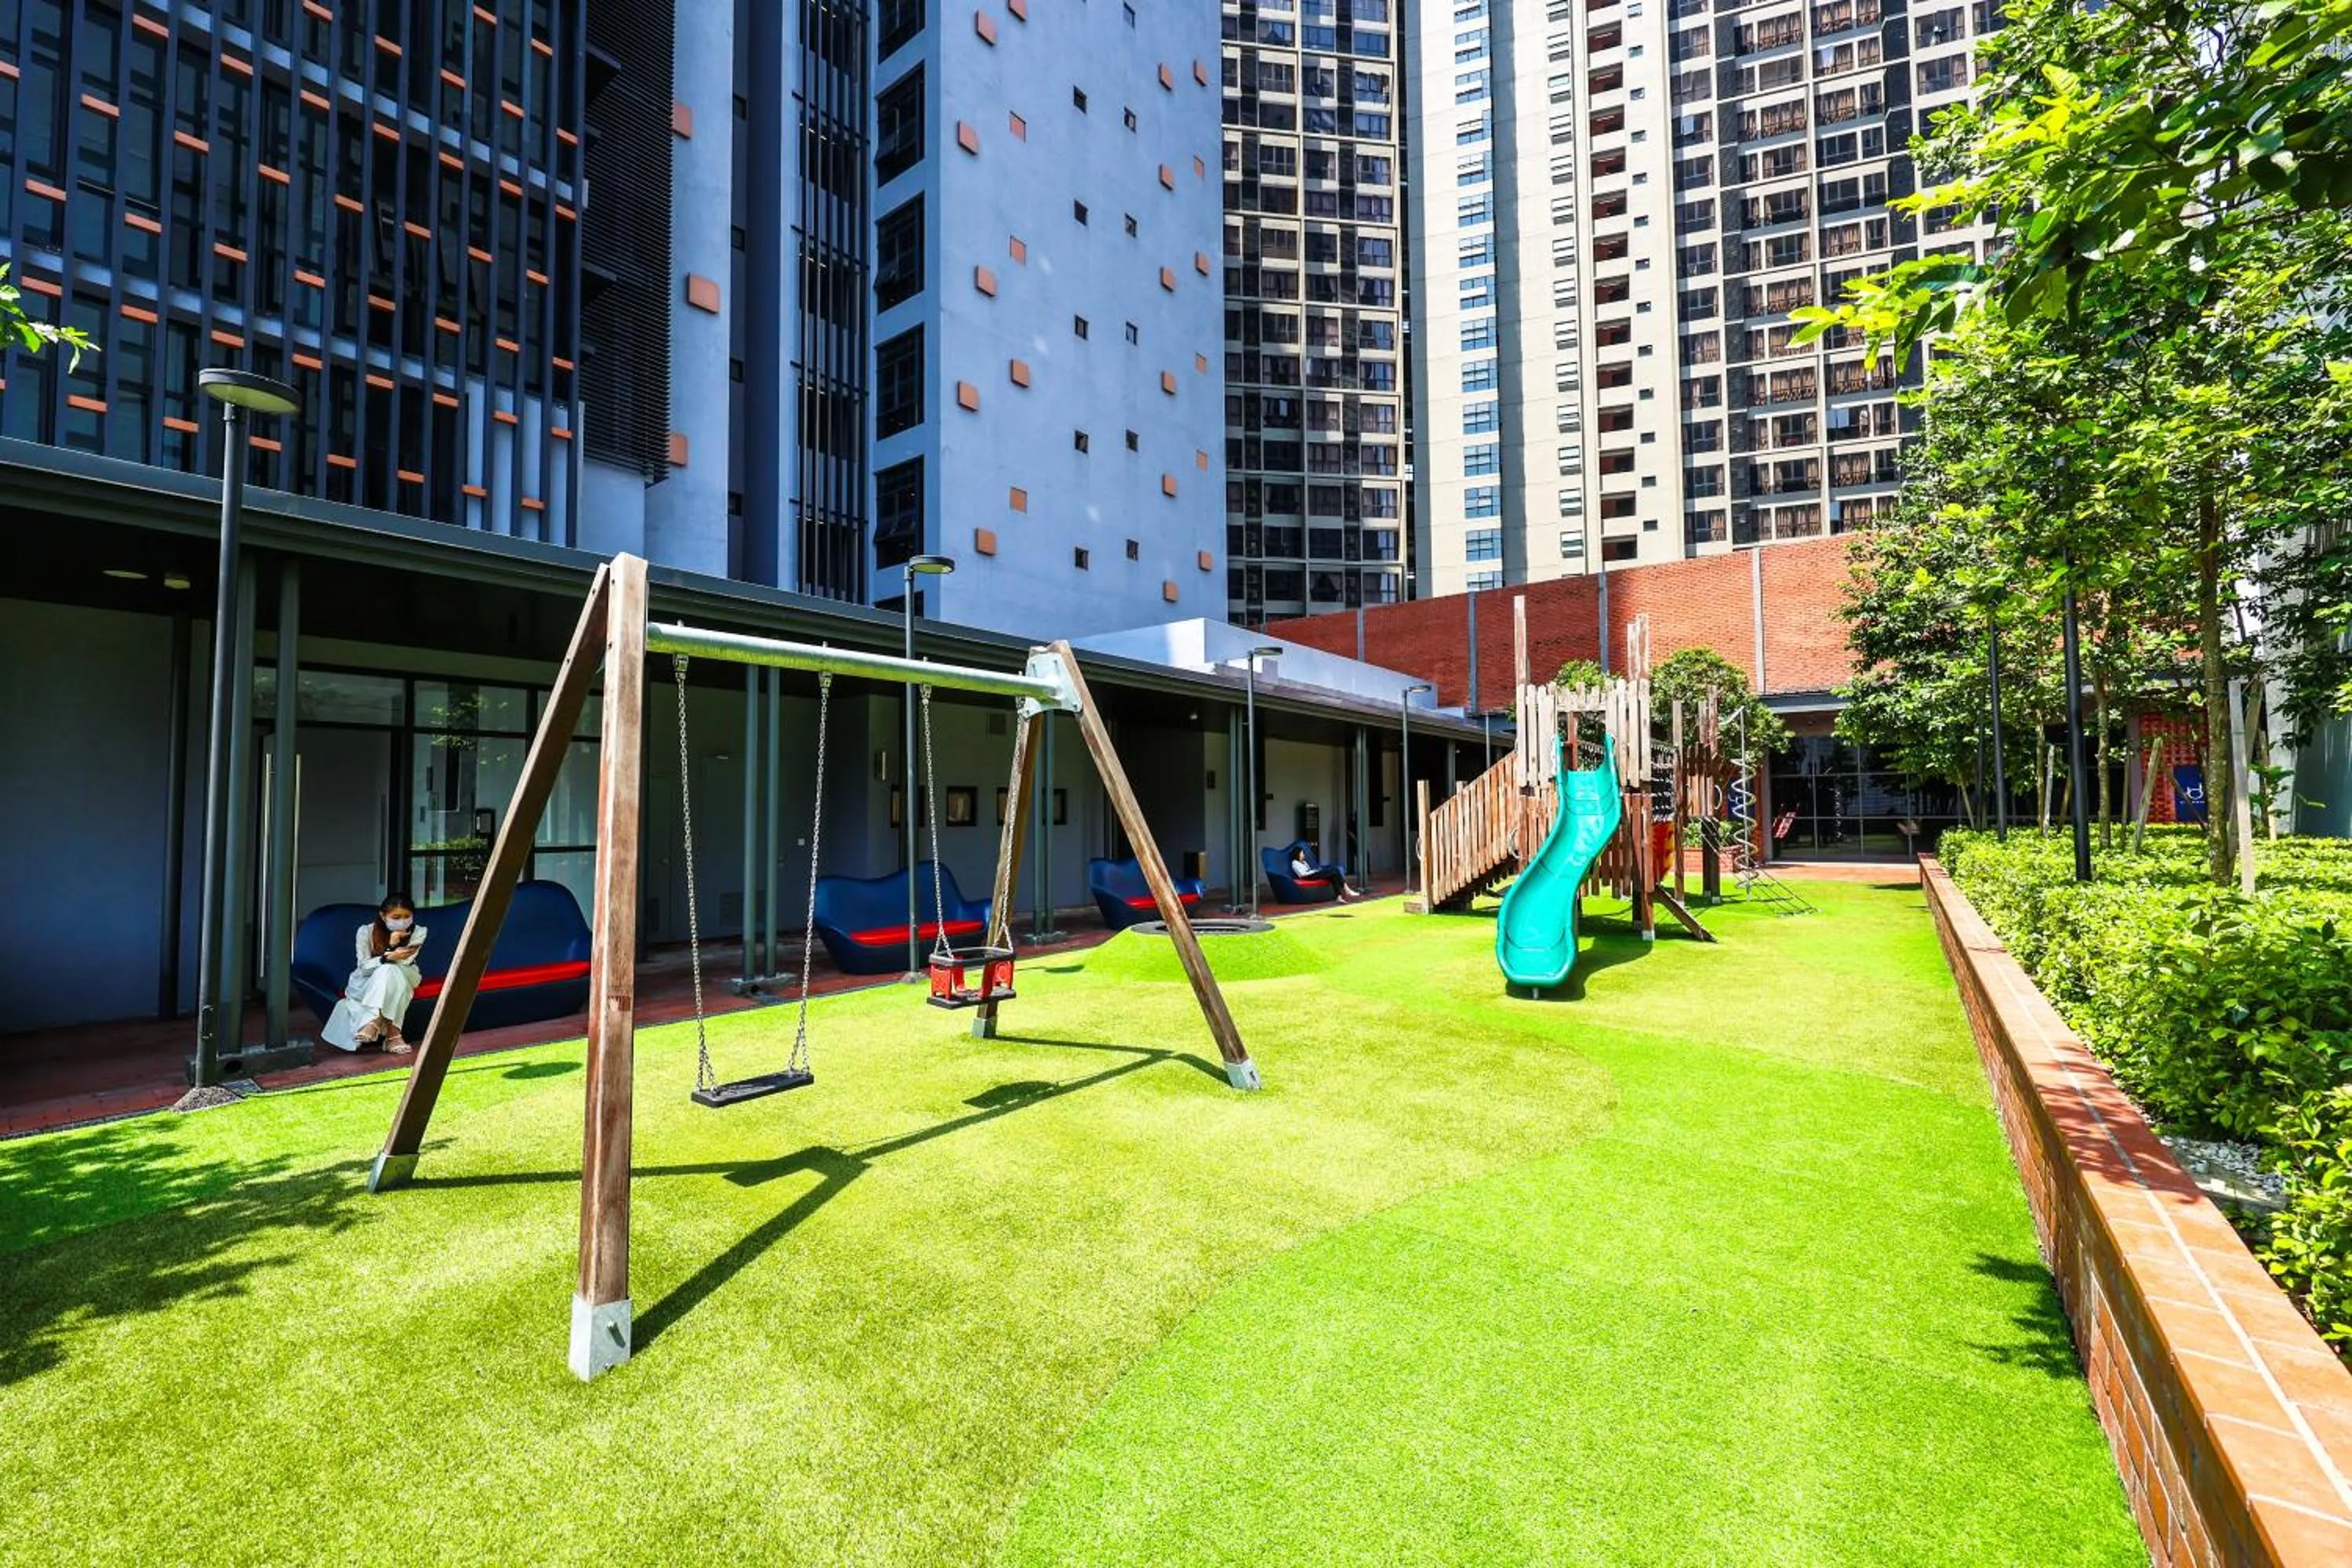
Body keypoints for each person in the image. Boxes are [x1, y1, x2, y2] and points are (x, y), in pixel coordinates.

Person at [322, 895, 428, 1053]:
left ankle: (373, 1021)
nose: (402, 921)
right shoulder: (365, 931)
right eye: (396, 917)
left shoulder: (419, 931)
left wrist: (389, 954)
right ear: (383, 915)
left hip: (406, 973)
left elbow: (405, 961)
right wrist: (389, 951)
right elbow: (364, 966)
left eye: (407, 917)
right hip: (367, 980)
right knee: (389, 971)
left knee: (391, 970)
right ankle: (393, 1035)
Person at [1289, 840, 1358, 901]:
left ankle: (1339, 897)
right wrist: (1314, 872)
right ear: (1297, 854)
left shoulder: (1304, 862)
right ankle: (1347, 889)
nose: (1303, 855)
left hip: (1313, 874)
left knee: (1334, 875)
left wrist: (1315, 871)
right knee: (1334, 870)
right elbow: (1302, 874)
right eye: (1302, 853)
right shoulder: (1294, 863)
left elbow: (1309, 870)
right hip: (1308, 876)